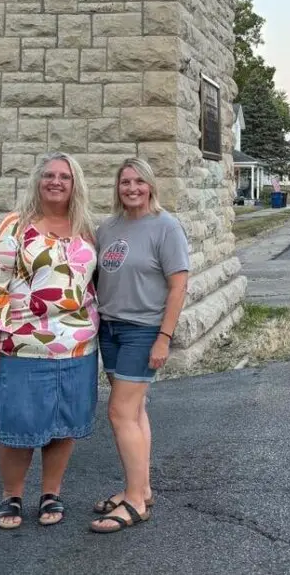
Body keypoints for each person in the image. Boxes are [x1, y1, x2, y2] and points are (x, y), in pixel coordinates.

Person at [0, 152, 99, 530]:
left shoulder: (86, 229)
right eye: (49, 175)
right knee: (20, 425)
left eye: (64, 176)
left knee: (63, 425)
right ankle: (11, 496)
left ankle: (51, 493)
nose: (56, 181)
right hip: (23, 344)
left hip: (78, 346)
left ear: (75, 184)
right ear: (38, 181)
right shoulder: (16, 226)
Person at [90, 157, 191, 534]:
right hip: (111, 328)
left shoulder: (166, 227)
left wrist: (163, 337)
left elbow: (178, 285)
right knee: (134, 412)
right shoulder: (108, 228)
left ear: (151, 186)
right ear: (117, 188)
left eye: (139, 182)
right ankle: (141, 488)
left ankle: (134, 503)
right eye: (125, 182)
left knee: (119, 412)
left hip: (143, 329)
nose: (132, 188)